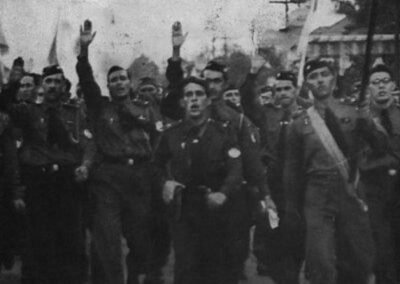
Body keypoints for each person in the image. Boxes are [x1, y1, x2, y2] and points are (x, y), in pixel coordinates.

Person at [166, 21, 277, 280]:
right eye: (206, 81)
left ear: (225, 84)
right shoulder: (187, 116)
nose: (211, 86)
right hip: (194, 200)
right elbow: (174, 89)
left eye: (216, 81)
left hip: (228, 201)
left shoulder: (236, 120)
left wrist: (266, 195)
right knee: (191, 266)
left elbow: (251, 162)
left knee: (228, 264)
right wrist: (175, 53)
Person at [283, 57, 388, 284]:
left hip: (350, 190)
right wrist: (291, 208)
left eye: (324, 74)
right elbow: (291, 171)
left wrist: (366, 121)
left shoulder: (353, 111)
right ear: (307, 84)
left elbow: (381, 146)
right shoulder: (298, 125)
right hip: (317, 195)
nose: (319, 80)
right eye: (313, 76)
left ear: (334, 79)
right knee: (319, 259)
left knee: (360, 258)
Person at [76, 20, 158, 284]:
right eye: (114, 80)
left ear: (130, 82)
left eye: (123, 78)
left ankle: (134, 279)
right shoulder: (101, 108)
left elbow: (159, 138)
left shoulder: (145, 108)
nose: (119, 83)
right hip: (109, 179)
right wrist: (84, 52)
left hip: (140, 178)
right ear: (108, 86)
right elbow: (87, 83)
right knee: (108, 241)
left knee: (140, 240)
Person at [4, 64, 94, 284]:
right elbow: (4, 104)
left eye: (57, 81)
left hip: (66, 182)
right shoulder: (29, 112)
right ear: (41, 86)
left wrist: (85, 165)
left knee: (71, 240)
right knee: (37, 242)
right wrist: (14, 81)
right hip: (38, 182)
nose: (53, 86)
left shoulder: (76, 113)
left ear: (64, 86)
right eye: (48, 81)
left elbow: (88, 143)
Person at [154, 76, 242, 284]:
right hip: (185, 208)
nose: (194, 100)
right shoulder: (171, 135)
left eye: (199, 94)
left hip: (216, 208)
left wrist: (224, 192)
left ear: (208, 100)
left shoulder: (224, 133)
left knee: (218, 269)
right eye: (189, 95)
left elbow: (236, 167)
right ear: (182, 102)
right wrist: (165, 182)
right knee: (186, 269)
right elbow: (155, 165)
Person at [360, 64, 400, 284]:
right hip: (374, 190)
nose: (381, 86)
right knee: (381, 250)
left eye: (385, 81)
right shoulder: (361, 120)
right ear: (369, 89)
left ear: (393, 85)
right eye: (376, 83)